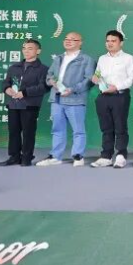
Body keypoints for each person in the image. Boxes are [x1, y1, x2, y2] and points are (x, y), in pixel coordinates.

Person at [37, 32, 95, 167]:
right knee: (57, 129)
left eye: (72, 39)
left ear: (80, 42)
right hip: (56, 99)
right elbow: (49, 75)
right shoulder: (58, 58)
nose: (68, 41)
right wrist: (51, 81)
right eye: (66, 39)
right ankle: (55, 156)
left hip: (75, 99)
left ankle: (78, 156)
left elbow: (89, 80)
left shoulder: (86, 59)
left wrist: (72, 89)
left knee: (78, 130)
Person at [90, 30, 133, 169]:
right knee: (106, 128)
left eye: (113, 41)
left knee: (120, 127)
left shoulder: (129, 58)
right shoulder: (102, 58)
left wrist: (116, 87)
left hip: (120, 96)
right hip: (103, 96)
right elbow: (98, 74)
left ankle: (121, 155)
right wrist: (96, 78)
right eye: (108, 41)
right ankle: (106, 156)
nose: (110, 43)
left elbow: (131, 79)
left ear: (121, 43)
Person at [0, 39, 49, 167]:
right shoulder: (14, 67)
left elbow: (44, 87)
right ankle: (14, 156)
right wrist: (7, 89)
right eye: (24, 48)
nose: (26, 51)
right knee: (13, 131)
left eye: (30, 48)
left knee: (28, 132)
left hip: (30, 105)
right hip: (13, 104)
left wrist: (25, 93)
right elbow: (6, 82)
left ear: (38, 51)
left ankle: (27, 157)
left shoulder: (43, 69)